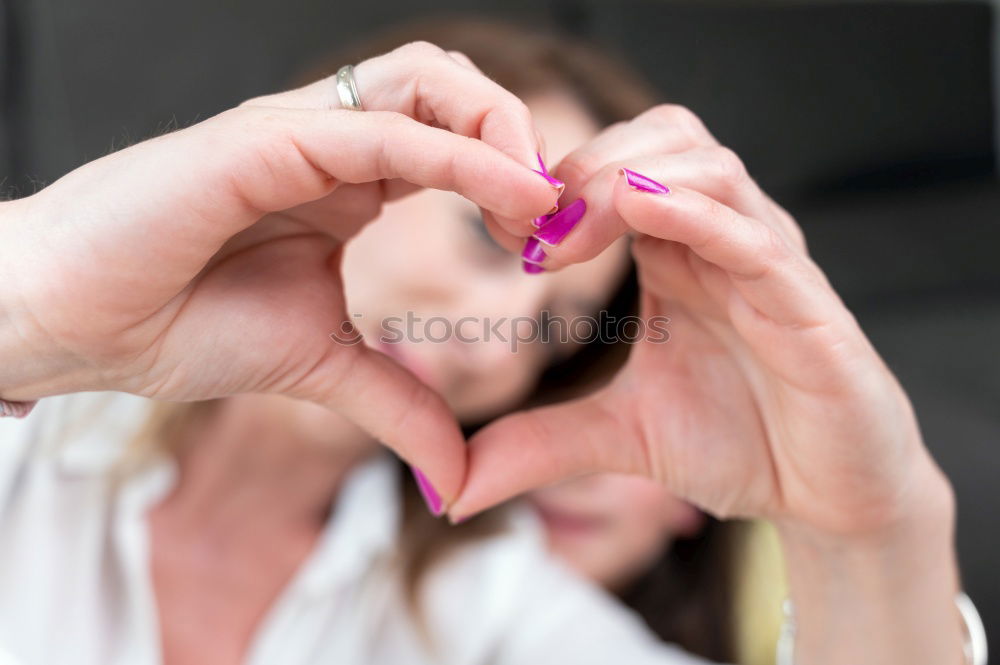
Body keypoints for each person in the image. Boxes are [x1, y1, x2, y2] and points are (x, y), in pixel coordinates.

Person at [0, 18, 979, 665]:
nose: (495, 334)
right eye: (483, 232)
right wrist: (27, 306)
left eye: (551, 330)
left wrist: (870, 532)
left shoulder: (484, 602)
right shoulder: (29, 416)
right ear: (342, 160)